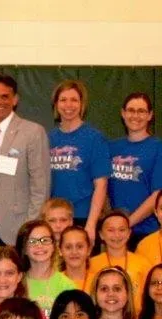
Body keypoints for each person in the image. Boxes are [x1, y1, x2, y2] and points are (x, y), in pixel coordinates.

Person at [0, 74, 50, 245]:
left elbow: (40, 185)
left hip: (18, 227)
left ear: (15, 100)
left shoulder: (33, 132)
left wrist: (30, 227)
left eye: (5, 96)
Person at [108, 93, 162, 247]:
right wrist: (114, 224)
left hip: (146, 231)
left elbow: (159, 194)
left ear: (150, 115)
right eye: (131, 110)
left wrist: (128, 223)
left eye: (141, 111)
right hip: (115, 233)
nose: (135, 116)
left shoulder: (159, 148)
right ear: (123, 113)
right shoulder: (112, 147)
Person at [48, 80, 111, 243]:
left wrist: (91, 224)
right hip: (54, 221)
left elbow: (101, 185)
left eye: (74, 100)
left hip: (83, 217)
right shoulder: (48, 138)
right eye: (63, 100)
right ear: (55, 104)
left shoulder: (94, 138)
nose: (68, 105)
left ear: (82, 104)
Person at [86, 210, 153, 312]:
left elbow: (149, 298)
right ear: (101, 234)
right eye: (110, 230)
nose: (117, 235)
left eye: (122, 230)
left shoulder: (142, 263)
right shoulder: (91, 264)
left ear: (129, 233)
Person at [58, 225, 92, 289]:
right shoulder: (53, 283)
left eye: (79, 246)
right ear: (60, 251)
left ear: (89, 250)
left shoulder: (98, 282)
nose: (74, 252)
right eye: (68, 247)